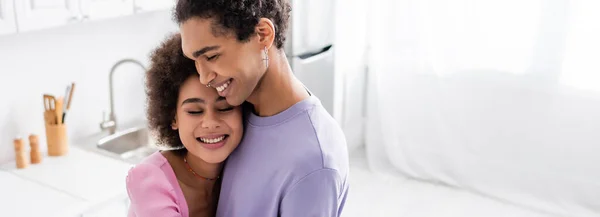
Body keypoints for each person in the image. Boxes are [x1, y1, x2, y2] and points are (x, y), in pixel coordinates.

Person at [175, 0, 350, 216]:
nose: (204, 77)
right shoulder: (236, 115)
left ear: (262, 35)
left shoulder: (313, 162)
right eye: (195, 60)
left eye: (212, 56)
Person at [125, 33, 246, 217]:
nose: (210, 123)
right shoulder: (150, 179)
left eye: (225, 108)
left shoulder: (244, 168)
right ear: (174, 118)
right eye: (195, 111)